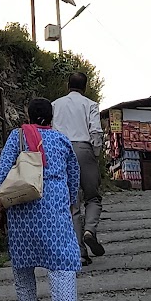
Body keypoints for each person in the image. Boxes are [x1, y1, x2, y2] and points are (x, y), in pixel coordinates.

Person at [0, 97, 83, 301]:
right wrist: (67, 203)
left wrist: (1, 205)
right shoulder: (62, 140)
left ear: (28, 116)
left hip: (23, 209)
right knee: (62, 270)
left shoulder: (18, 137)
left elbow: (1, 176)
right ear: (52, 117)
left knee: (23, 271)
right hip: (55, 211)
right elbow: (73, 177)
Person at [51, 73, 105, 260]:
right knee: (93, 197)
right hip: (83, 149)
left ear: (68, 85)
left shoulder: (55, 105)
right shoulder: (90, 105)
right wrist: (95, 154)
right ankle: (89, 230)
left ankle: (80, 252)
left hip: (61, 151)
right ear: (85, 87)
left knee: (72, 203)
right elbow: (96, 131)